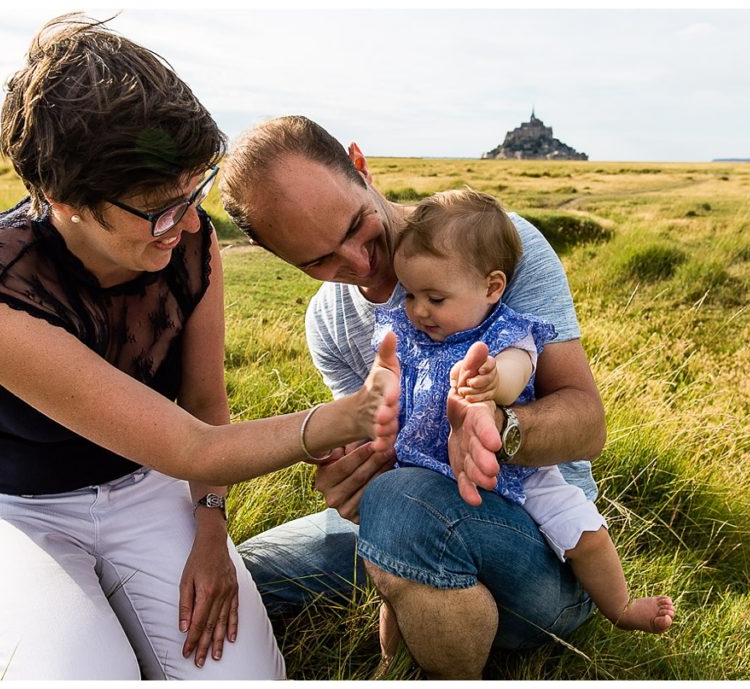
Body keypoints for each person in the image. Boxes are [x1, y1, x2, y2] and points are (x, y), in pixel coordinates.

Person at [0, 17, 398, 681]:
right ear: (65, 199)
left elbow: (203, 402)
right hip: (6, 504)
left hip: (144, 486)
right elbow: (189, 444)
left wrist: (209, 529)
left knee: (242, 675)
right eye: (160, 208)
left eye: (193, 189)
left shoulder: (188, 241)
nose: (191, 222)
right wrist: (348, 416)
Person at [222, 115, 608, 679]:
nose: (357, 265)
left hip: (547, 546)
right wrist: (353, 479)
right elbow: (379, 455)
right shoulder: (327, 323)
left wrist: (496, 426)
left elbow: (588, 424)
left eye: (357, 226)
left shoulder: (493, 247)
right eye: (318, 262)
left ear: (360, 165)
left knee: (403, 500)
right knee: (243, 576)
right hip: (413, 520)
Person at [371, 188, 675, 644]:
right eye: (411, 294)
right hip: (423, 468)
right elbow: (385, 380)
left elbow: (517, 371)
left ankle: (621, 605)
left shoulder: (507, 331)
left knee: (581, 528)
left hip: (520, 474)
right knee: (398, 582)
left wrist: (492, 383)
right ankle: (391, 662)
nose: (418, 310)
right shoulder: (406, 331)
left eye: (435, 297)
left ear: (492, 287)